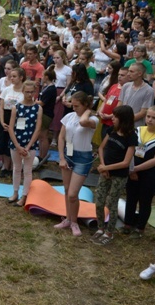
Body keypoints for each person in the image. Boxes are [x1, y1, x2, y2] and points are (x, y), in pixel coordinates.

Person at [55, 91, 98, 237]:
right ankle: (68, 219)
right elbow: (61, 137)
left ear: (86, 105)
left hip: (83, 158)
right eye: (72, 105)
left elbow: (83, 123)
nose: (73, 108)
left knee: (73, 194)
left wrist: (87, 111)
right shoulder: (68, 117)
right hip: (69, 154)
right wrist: (61, 157)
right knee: (67, 191)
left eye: (77, 106)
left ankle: (74, 222)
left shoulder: (93, 119)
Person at [92, 106, 137, 245]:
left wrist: (106, 168)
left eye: (115, 116)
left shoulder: (131, 137)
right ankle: (100, 228)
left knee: (112, 203)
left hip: (119, 176)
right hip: (105, 172)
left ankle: (109, 232)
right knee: (99, 202)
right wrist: (103, 167)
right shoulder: (111, 130)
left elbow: (125, 162)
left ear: (123, 119)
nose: (112, 118)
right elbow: (101, 148)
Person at [122, 106, 155, 238]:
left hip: (151, 175)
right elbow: (129, 150)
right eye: (148, 116)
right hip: (133, 170)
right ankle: (127, 224)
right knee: (131, 197)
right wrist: (131, 169)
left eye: (154, 118)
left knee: (145, 200)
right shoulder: (138, 130)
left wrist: (135, 169)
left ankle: (140, 228)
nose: (149, 120)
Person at [7, 80, 42, 207]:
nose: (29, 94)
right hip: (17, 141)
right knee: (16, 168)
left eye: (31, 92)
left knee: (27, 170)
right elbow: (11, 127)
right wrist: (17, 145)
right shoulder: (16, 107)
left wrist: (27, 147)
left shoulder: (38, 108)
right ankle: (15, 192)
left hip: (30, 143)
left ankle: (24, 195)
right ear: (22, 92)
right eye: (27, 92)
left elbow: (38, 129)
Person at [118, 62, 154, 128]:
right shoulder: (126, 86)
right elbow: (120, 103)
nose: (128, 74)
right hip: (121, 124)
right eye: (128, 71)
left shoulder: (149, 90)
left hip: (135, 127)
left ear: (140, 73)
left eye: (131, 71)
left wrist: (126, 121)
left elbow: (143, 112)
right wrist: (117, 117)